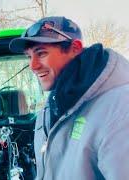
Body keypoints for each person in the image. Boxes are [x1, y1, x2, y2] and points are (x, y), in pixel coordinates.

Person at [10, 16, 129, 180]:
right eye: (29, 56)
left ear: (75, 48)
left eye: (41, 53)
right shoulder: (51, 108)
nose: (33, 66)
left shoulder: (120, 108)